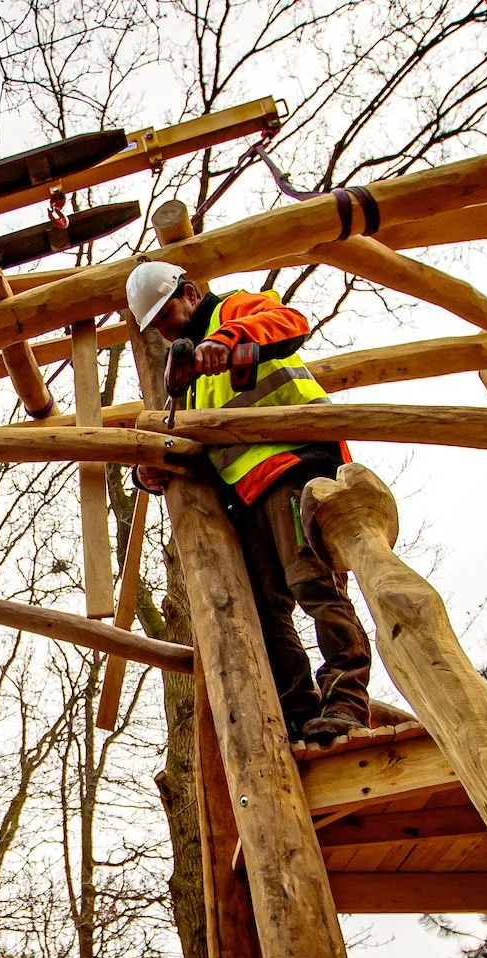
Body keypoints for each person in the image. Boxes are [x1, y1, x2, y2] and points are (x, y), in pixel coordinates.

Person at [125, 260, 372, 744]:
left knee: (315, 585)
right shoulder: (193, 380)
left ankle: (346, 703)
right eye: (154, 324)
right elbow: (198, 449)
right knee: (263, 611)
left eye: (166, 313)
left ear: (190, 292)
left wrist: (229, 340)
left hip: (296, 466)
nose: (164, 328)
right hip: (249, 496)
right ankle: (299, 715)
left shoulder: (233, 311)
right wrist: (152, 470)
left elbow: (289, 323)